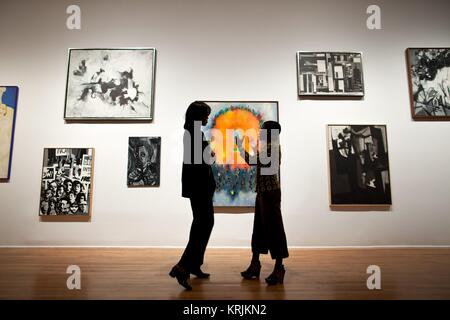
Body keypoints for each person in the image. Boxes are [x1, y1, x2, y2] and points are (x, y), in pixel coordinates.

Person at [169, 101, 216, 290]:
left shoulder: (193, 133)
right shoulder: (195, 135)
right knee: (202, 225)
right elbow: (207, 159)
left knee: (202, 224)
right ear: (198, 116)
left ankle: (194, 264)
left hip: (198, 187)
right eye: (205, 115)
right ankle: (183, 266)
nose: (207, 118)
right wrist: (211, 153)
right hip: (200, 188)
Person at [236, 121, 289, 285]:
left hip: (270, 194)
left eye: (263, 130)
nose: (260, 132)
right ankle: (255, 264)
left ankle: (279, 268)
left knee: (275, 230)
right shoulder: (269, 147)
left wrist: (239, 146)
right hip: (263, 193)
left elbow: (252, 160)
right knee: (259, 229)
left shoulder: (273, 148)